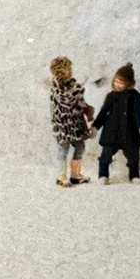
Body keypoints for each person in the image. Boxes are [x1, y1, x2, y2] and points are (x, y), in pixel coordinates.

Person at [91, 63, 140, 184]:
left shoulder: (135, 96)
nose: (118, 85)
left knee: (133, 154)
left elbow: (139, 112)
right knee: (106, 153)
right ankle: (103, 175)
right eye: (116, 81)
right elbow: (104, 112)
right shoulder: (111, 96)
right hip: (112, 130)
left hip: (129, 130)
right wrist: (95, 126)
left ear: (129, 83)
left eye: (121, 83)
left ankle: (134, 175)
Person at [49, 56, 92, 187]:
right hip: (70, 125)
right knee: (72, 148)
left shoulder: (55, 88)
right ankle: (67, 176)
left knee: (70, 148)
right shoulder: (73, 88)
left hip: (65, 126)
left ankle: (69, 176)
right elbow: (79, 104)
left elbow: (53, 108)